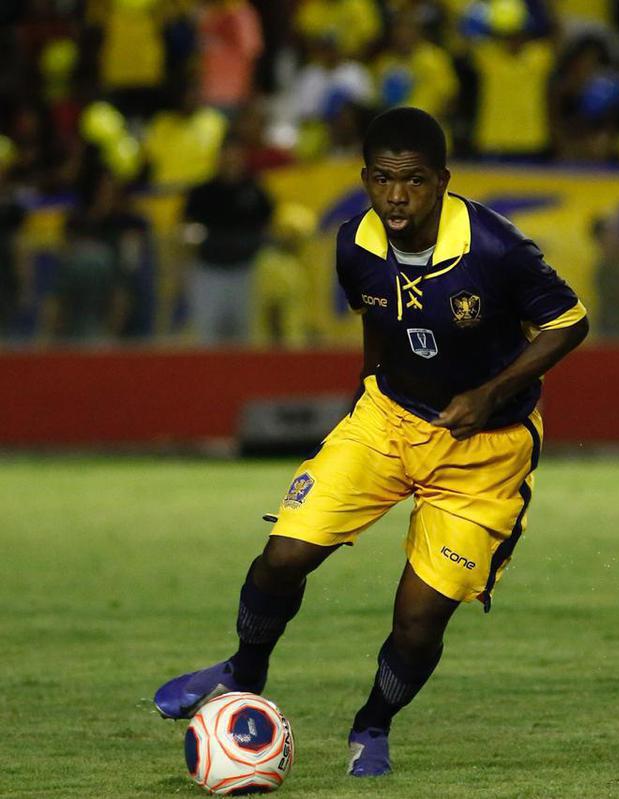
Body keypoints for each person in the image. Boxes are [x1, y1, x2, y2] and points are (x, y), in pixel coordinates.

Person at [153, 107, 589, 776]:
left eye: (413, 181)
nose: (396, 196)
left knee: (419, 618)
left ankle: (372, 726)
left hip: (486, 450)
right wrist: (365, 387)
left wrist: (489, 395)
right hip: (386, 421)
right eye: (382, 179)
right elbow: (378, 318)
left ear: (442, 180)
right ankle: (243, 671)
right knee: (284, 553)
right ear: (365, 178)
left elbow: (570, 322)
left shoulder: (496, 248)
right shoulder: (354, 242)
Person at [181, 137, 275, 345]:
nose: (231, 162)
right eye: (226, 156)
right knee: (207, 333)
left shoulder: (254, 190)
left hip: (245, 269)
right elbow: (187, 226)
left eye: (236, 157)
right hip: (208, 269)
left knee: (244, 333)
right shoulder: (203, 192)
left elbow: (268, 222)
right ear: (218, 159)